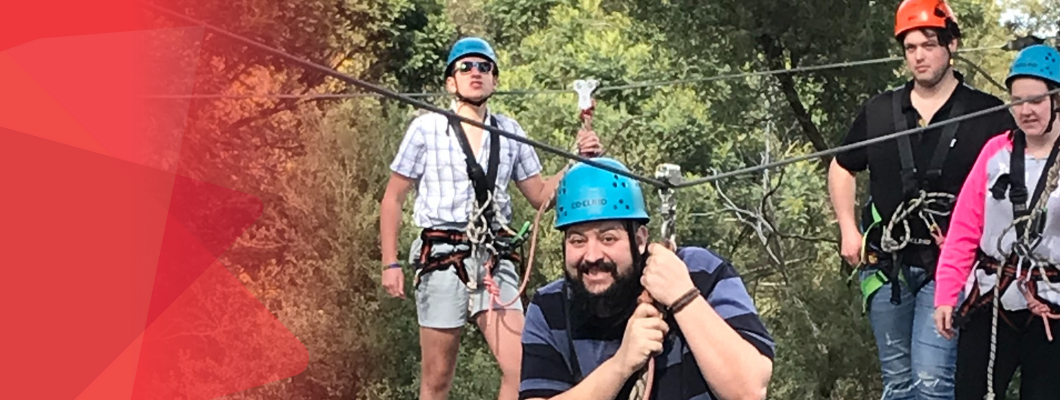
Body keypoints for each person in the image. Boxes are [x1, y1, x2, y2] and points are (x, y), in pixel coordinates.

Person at [379, 36, 603, 400]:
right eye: (465, 67)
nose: (476, 72)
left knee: (522, 369)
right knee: (437, 381)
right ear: (451, 81)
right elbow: (393, 198)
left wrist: (575, 162)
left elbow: (540, 195)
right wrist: (390, 262)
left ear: (495, 81)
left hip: (493, 260)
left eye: (485, 67)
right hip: (442, 256)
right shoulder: (427, 128)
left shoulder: (509, 131)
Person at [826, 0, 1024, 398]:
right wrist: (848, 229)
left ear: (951, 46)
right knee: (898, 384)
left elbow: (1025, 167)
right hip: (887, 266)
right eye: (911, 48)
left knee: (933, 383)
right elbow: (842, 165)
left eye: (929, 45)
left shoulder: (987, 115)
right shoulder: (880, 112)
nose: (919, 56)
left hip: (950, 267)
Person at [932, 44, 1060, 400]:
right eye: (1017, 100)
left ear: (1059, 100)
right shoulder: (995, 153)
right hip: (994, 297)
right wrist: (947, 293)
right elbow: (964, 229)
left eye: (1036, 100)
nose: (1025, 110)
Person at [517, 157, 774, 400]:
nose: (592, 255)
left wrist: (683, 298)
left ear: (639, 239)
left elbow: (749, 390)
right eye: (577, 240)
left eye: (608, 238)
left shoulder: (699, 272)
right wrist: (621, 365)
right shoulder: (550, 307)